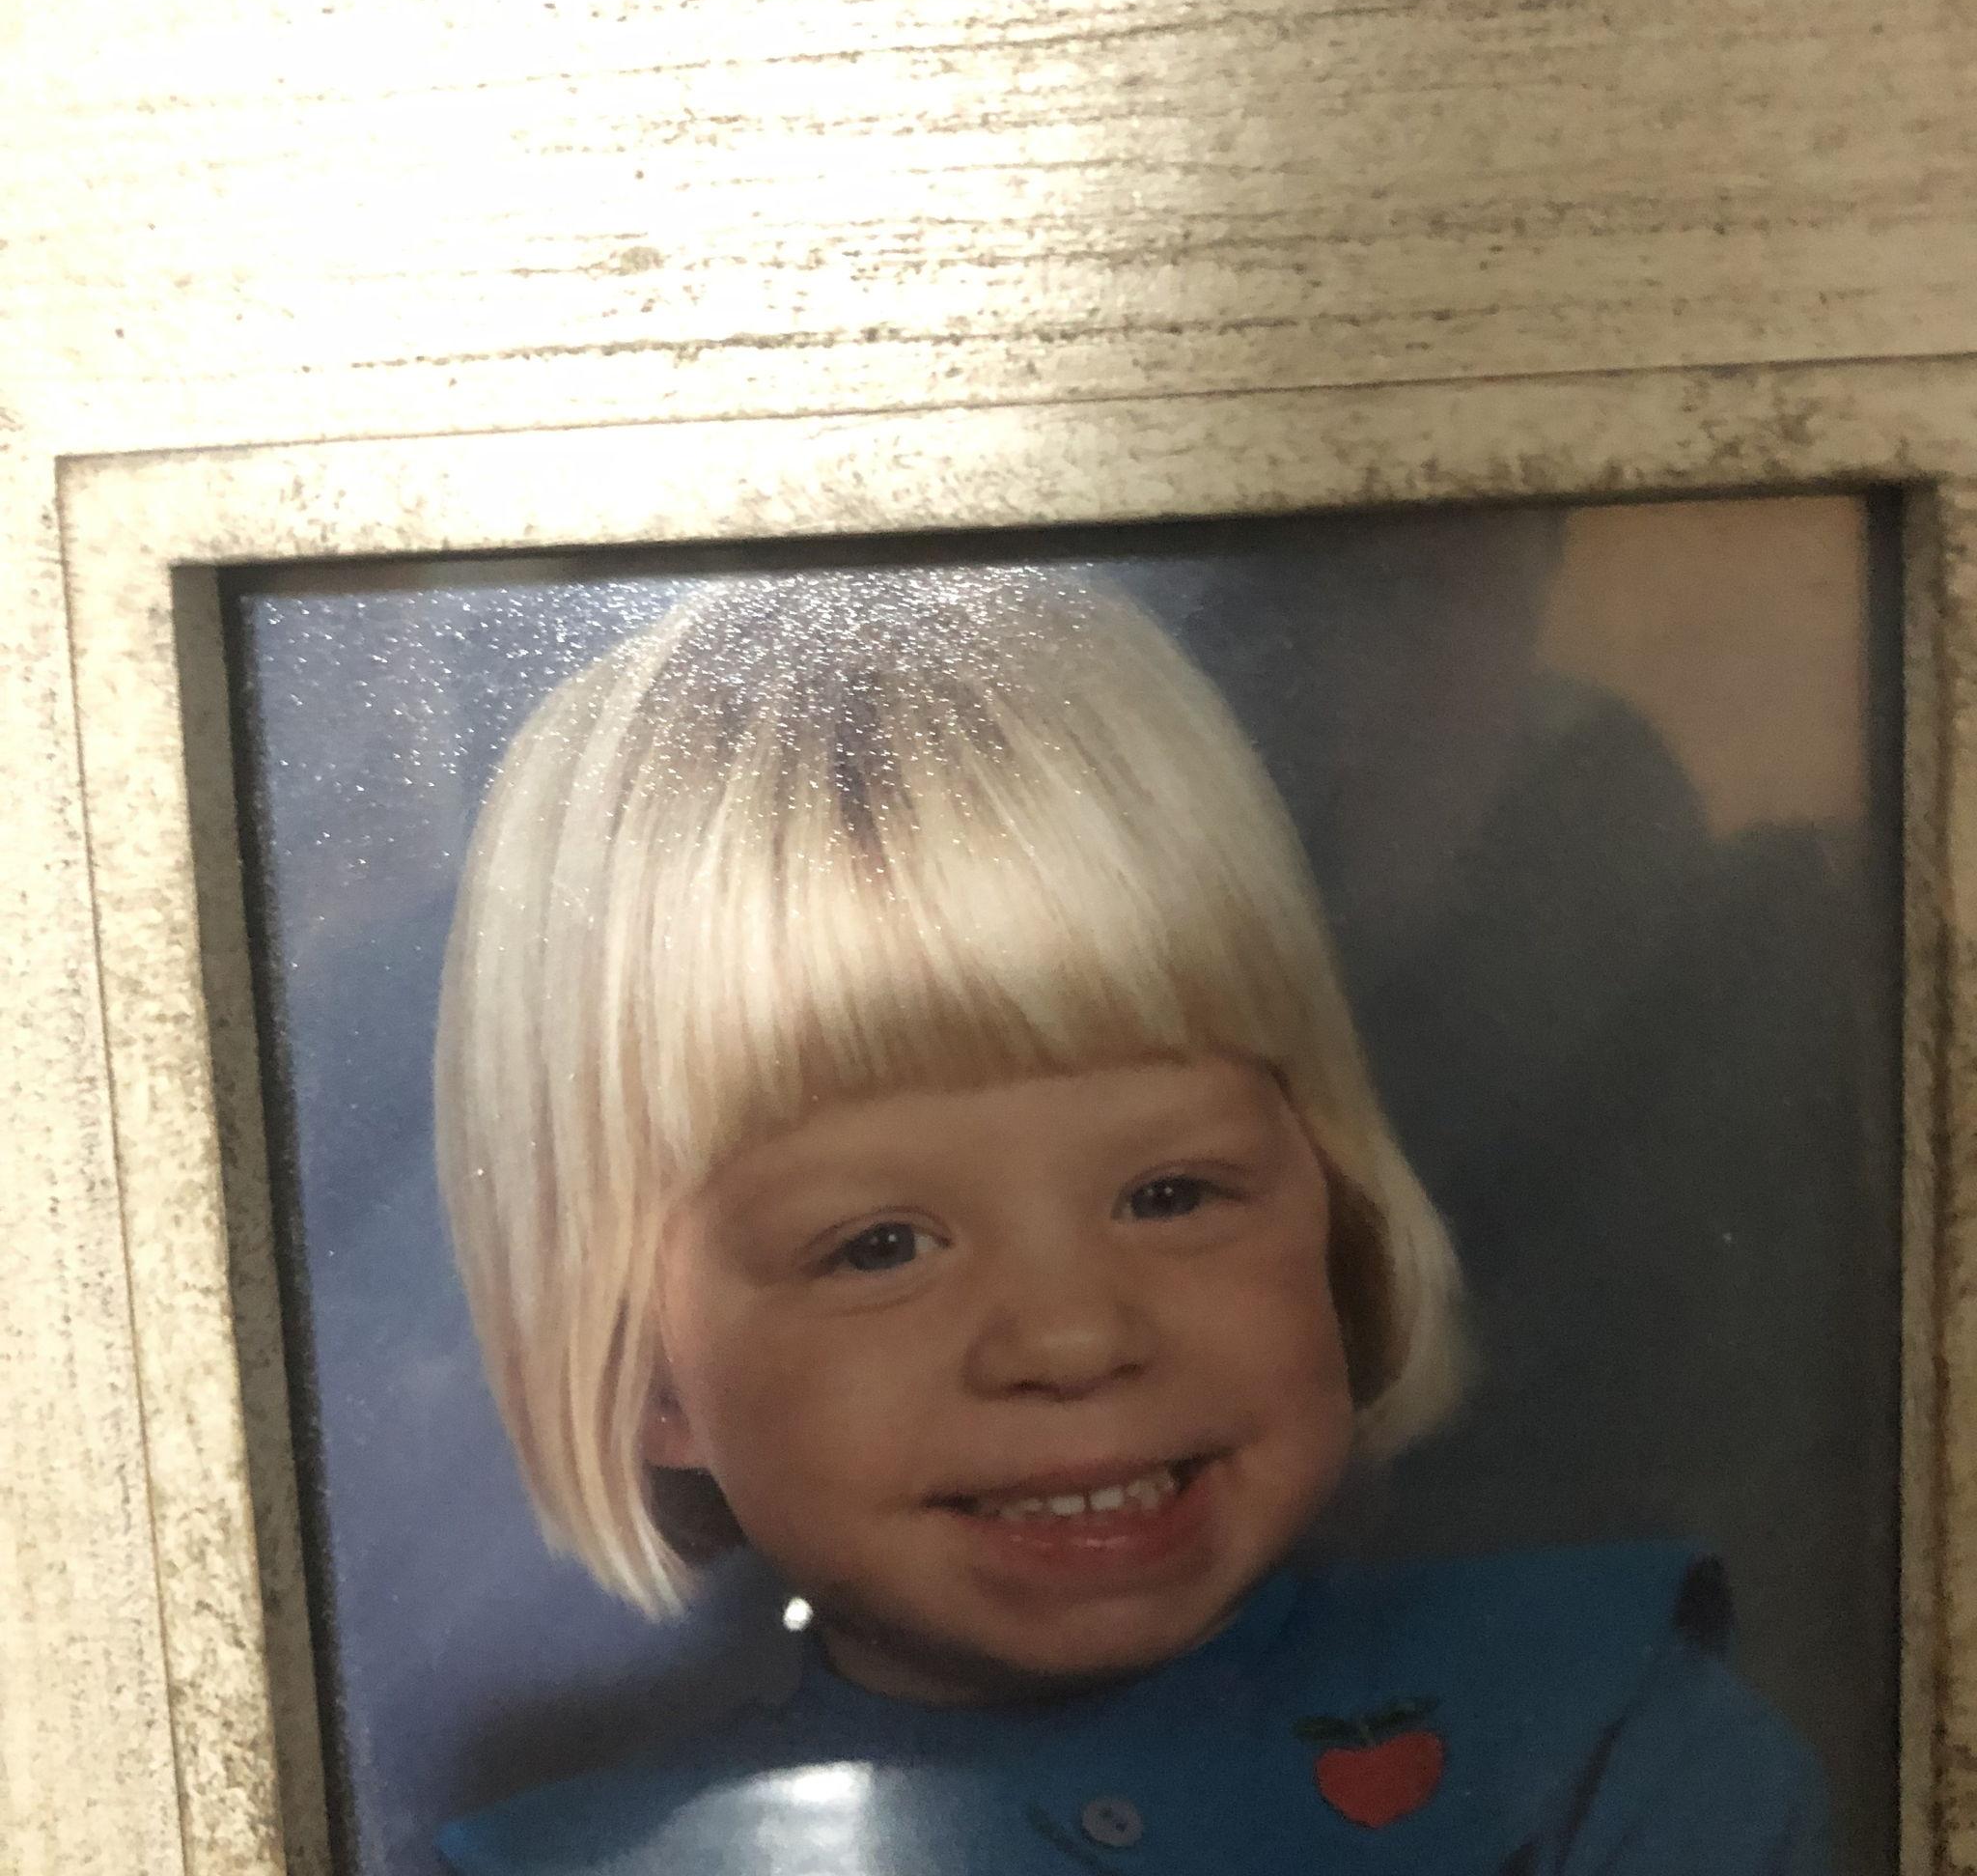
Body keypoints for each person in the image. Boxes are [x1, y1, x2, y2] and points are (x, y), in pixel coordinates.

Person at [431, 566, 1826, 1874]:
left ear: (1332, 1207)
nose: (1075, 1336)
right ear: (652, 1374)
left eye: (1170, 1194)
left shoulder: (1594, 1726)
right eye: (880, 1246)